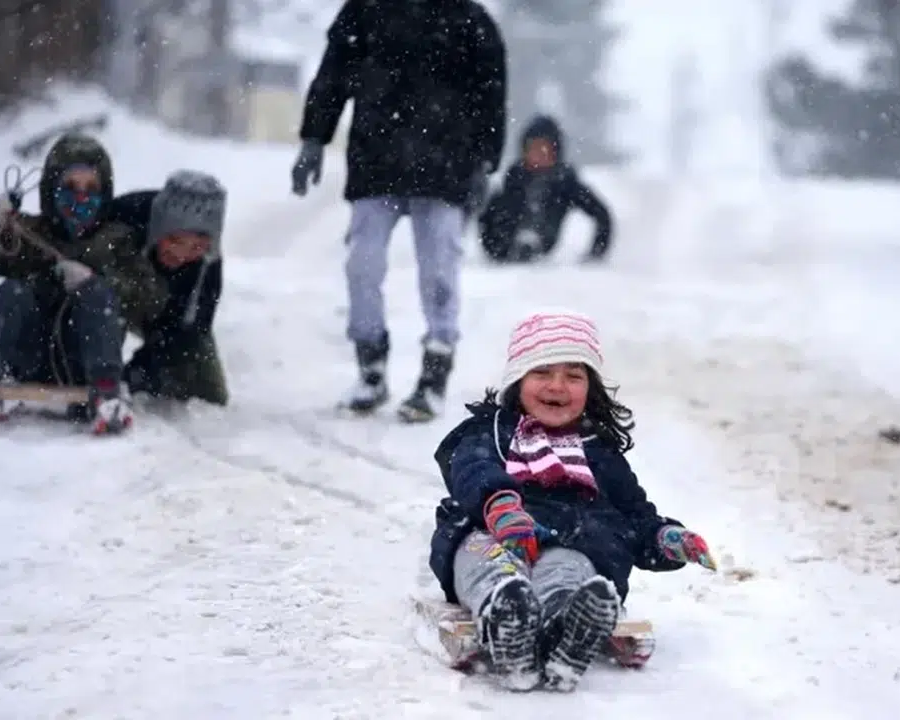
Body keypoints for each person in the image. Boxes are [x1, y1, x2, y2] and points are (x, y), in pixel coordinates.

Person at [427, 310, 717, 692]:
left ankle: (568, 630)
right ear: (517, 380)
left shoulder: (600, 453)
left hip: (569, 544)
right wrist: (500, 505)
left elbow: (634, 515)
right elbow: (473, 467)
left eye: (573, 376)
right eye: (542, 373)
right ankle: (507, 615)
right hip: (495, 534)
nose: (557, 386)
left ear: (590, 388)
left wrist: (666, 538)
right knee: (488, 563)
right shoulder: (492, 432)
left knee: (570, 571)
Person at [291, 0, 508, 423]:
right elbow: (333, 75)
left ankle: (435, 372)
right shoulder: (365, 11)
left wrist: (486, 159)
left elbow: (491, 92)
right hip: (377, 159)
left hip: (447, 164)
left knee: (439, 270)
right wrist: (313, 138)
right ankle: (370, 366)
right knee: (362, 265)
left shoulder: (469, 19)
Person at [0, 133, 168, 437]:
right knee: (12, 292)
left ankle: (107, 395)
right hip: (30, 355)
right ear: (51, 189)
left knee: (98, 294)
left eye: (91, 189)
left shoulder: (117, 240)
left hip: (86, 361)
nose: (81, 198)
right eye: (70, 188)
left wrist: (97, 282)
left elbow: (151, 298)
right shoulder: (28, 233)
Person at [103, 170, 229, 407]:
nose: (181, 255)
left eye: (197, 247)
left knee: (209, 393)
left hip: (164, 314)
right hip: (110, 299)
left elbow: (189, 332)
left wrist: (137, 375)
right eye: (174, 241)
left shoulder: (207, 267)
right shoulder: (122, 218)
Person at [477, 115, 613, 264]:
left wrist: (596, 253)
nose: (538, 155)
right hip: (505, 250)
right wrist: (494, 248)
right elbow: (486, 216)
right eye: (533, 148)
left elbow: (601, 214)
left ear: (555, 151)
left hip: (543, 244)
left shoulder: (565, 183)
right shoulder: (513, 179)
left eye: (544, 149)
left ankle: (530, 241)